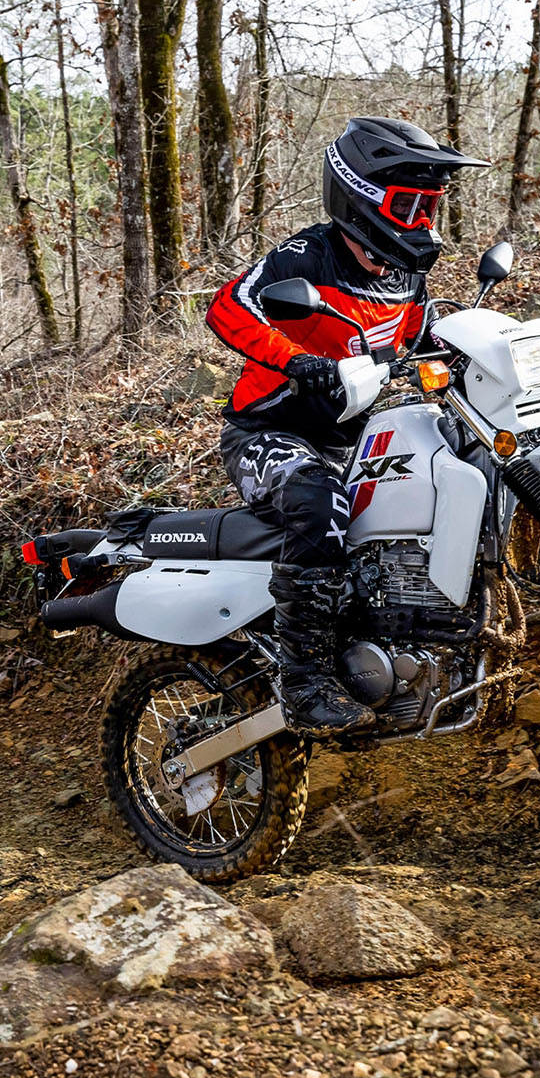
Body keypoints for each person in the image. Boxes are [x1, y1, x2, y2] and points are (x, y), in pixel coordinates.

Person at [206, 116, 488, 737]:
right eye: (408, 204)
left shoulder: (406, 273)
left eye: (429, 206)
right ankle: (304, 682)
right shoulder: (308, 256)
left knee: (447, 467)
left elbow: (414, 336)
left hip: (349, 436)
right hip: (267, 435)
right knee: (317, 499)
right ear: (361, 198)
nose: (420, 220)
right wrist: (294, 358)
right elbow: (226, 308)